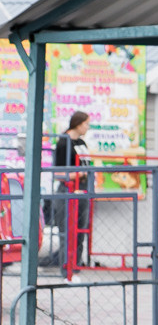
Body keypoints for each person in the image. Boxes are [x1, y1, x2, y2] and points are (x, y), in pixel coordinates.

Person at [43, 110, 91, 268]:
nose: (88, 127)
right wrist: (78, 175)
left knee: (81, 231)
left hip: (83, 189)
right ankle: (66, 268)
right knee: (67, 231)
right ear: (78, 123)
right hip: (68, 189)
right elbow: (58, 173)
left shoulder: (81, 143)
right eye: (86, 124)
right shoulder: (64, 142)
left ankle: (76, 266)